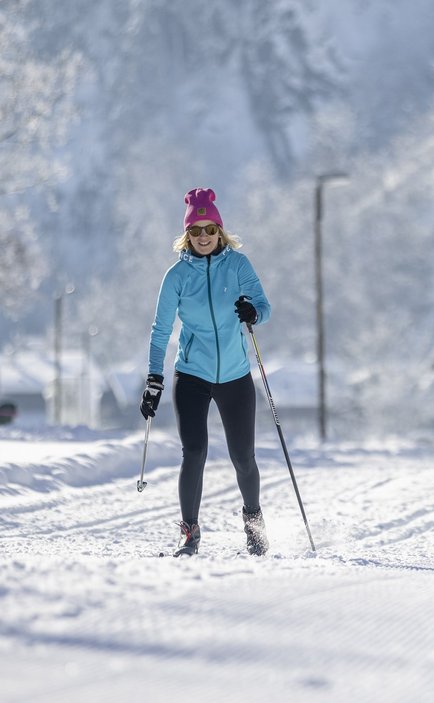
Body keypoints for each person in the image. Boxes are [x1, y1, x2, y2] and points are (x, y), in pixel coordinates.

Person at [142, 187, 272, 557]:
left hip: (235, 375)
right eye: (195, 230)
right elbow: (160, 331)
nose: (203, 237)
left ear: (219, 231)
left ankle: (253, 524)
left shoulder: (238, 265)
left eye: (209, 229)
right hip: (192, 376)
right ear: (187, 234)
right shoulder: (177, 276)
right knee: (194, 451)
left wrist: (253, 313)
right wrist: (154, 379)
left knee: (243, 457)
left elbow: (263, 307)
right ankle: (190, 532)